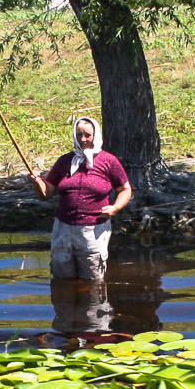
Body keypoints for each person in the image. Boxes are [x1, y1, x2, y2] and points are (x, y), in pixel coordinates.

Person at [30, 117, 132, 280]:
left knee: (92, 282)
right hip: (63, 230)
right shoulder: (65, 161)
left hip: (93, 232)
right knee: (62, 280)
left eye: (87, 135)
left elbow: (125, 190)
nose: (83, 139)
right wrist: (37, 181)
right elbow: (46, 193)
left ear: (96, 135)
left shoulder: (108, 161)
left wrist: (115, 208)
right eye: (79, 135)